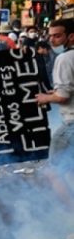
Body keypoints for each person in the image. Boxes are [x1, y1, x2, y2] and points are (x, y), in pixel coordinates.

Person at [36, 18, 74, 210]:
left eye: (57, 36)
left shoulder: (64, 58)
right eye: (50, 36)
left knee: (52, 172)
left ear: (71, 36)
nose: (52, 40)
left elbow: (64, 97)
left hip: (71, 125)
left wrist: (45, 98)